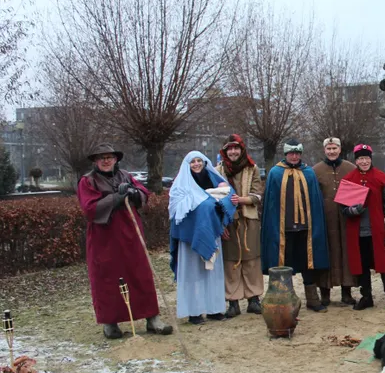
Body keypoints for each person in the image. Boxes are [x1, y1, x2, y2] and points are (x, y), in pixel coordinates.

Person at [78, 144, 173, 339]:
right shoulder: (88, 181)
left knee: (140, 274)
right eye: (102, 157)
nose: (106, 160)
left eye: (109, 157)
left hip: (130, 233)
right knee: (107, 278)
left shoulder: (126, 176)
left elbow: (144, 194)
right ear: (95, 161)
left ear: (115, 159)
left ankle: (152, 317)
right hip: (104, 238)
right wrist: (115, 198)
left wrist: (132, 193)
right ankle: (110, 322)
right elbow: (89, 208)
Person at [261, 140, 329, 313]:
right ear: (285, 154)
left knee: (308, 264)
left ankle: (313, 300)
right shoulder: (275, 173)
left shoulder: (308, 173)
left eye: (297, 153)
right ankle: (283, 300)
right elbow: (270, 203)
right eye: (291, 153)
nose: (294, 156)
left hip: (306, 229)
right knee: (283, 264)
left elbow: (315, 200)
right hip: (284, 229)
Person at [169, 151, 237, 325]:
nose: (197, 164)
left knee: (212, 271)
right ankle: (194, 311)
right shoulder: (180, 186)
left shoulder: (214, 180)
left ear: (205, 162)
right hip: (190, 236)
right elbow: (178, 212)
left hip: (212, 233)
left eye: (200, 160)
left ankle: (214, 309)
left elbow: (227, 200)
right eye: (193, 162)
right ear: (187, 165)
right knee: (192, 273)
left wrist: (220, 225)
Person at [341, 144, 385, 310]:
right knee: (362, 265)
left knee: (382, 264)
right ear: (356, 160)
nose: (364, 161)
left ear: (370, 159)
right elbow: (343, 208)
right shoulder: (349, 179)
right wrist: (353, 210)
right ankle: (366, 296)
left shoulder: (381, 178)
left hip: (376, 229)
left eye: (366, 158)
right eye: (360, 158)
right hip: (357, 231)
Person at [215, 134, 264, 317]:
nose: (233, 151)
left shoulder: (252, 168)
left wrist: (241, 200)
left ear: (241, 150)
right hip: (228, 222)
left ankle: (254, 299)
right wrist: (220, 224)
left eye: (236, 148)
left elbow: (258, 195)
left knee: (251, 260)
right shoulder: (217, 170)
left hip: (248, 219)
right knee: (231, 262)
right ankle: (233, 302)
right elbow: (212, 197)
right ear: (225, 151)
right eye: (230, 148)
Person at [312, 137, 357, 306]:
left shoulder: (350, 168)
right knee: (327, 255)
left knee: (346, 254)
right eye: (329, 148)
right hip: (325, 221)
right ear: (324, 150)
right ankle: (325, 294)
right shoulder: (315, 170)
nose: (331, 151)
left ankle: (347, 292)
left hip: (347, 220)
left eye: (334, 148)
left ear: (339, 149)